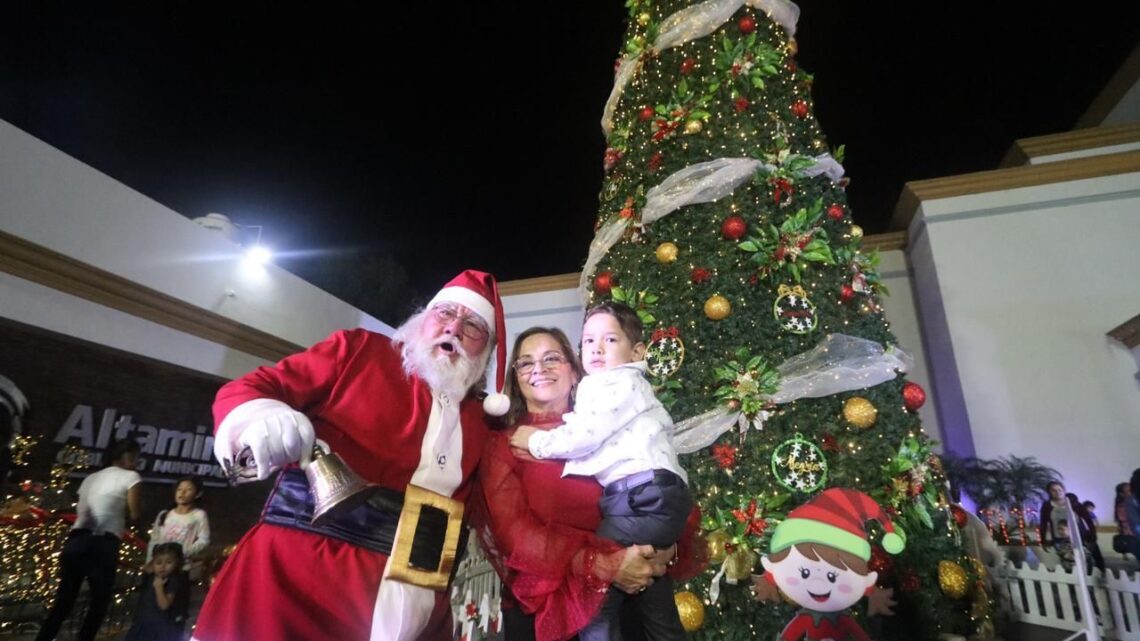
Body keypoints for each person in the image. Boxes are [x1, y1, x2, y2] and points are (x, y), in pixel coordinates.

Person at [191, 270, 510, 641]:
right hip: (296, 585)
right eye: (444, 313)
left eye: (472, 326)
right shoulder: (359, 351)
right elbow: (257, 387)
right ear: (422, 320)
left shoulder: (481, 420)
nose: (454, 328)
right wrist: (262, 415)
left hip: (420, 607)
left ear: (485, 351)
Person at [473, 326, 702, 641]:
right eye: (525, 363)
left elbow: (663, 484)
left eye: (552, 358)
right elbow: (516, 536)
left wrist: (666, 547)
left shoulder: (613, 427)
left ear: (575, 370)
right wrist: (607, 566)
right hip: (549, 607)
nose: (538, 369)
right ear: (517, 378)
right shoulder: (506, 444)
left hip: (631, 593)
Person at [35, 438, 141, 641]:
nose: (137, 461)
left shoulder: (90, 478)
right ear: (125, 455)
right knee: (98, 602)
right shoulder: (131, 477)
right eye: (135, 456)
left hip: (76, 539)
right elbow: (135, 513)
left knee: (64, 601)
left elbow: (82, 509)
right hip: (103, 542)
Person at [124, 542, 191, 641]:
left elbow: (164, 605)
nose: (163, 566)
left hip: (162, 627)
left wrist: (159, 587)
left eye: (169, 562)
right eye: (158, 563)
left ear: (176, 563)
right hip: (144, 624)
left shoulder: (173, 580)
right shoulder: (151, 577)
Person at [146, 477, 210, 577]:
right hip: (159, 567)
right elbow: (154, 539)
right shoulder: (164, 514)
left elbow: (204, 540)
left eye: (188, 490)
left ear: (198, 494)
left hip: (181, 567)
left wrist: (182, 553)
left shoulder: (199, 515)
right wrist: (150, 561)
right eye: (179, 489)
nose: (182, 493)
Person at [1039, 481, 1105, 572]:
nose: (1057, 492)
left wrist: (1092, 536)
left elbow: (1088, 520)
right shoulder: (1047, 506)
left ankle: (1100, 576)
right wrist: (1043, 540)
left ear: (1064, 490)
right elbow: (1043, 523)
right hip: (1060, 538)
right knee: (1068, 562)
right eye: (1053, 490)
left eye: (1059, 489)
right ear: (1049, 492)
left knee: (1090, 558)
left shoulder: (1074, 503)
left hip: (1080, 536)